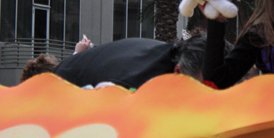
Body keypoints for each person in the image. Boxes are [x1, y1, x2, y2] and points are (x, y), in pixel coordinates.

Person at [54, 34, 209, 89]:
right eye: (203, 89)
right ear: (178, 72)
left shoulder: (177, 55)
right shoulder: (134, 83)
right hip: (60, 91)